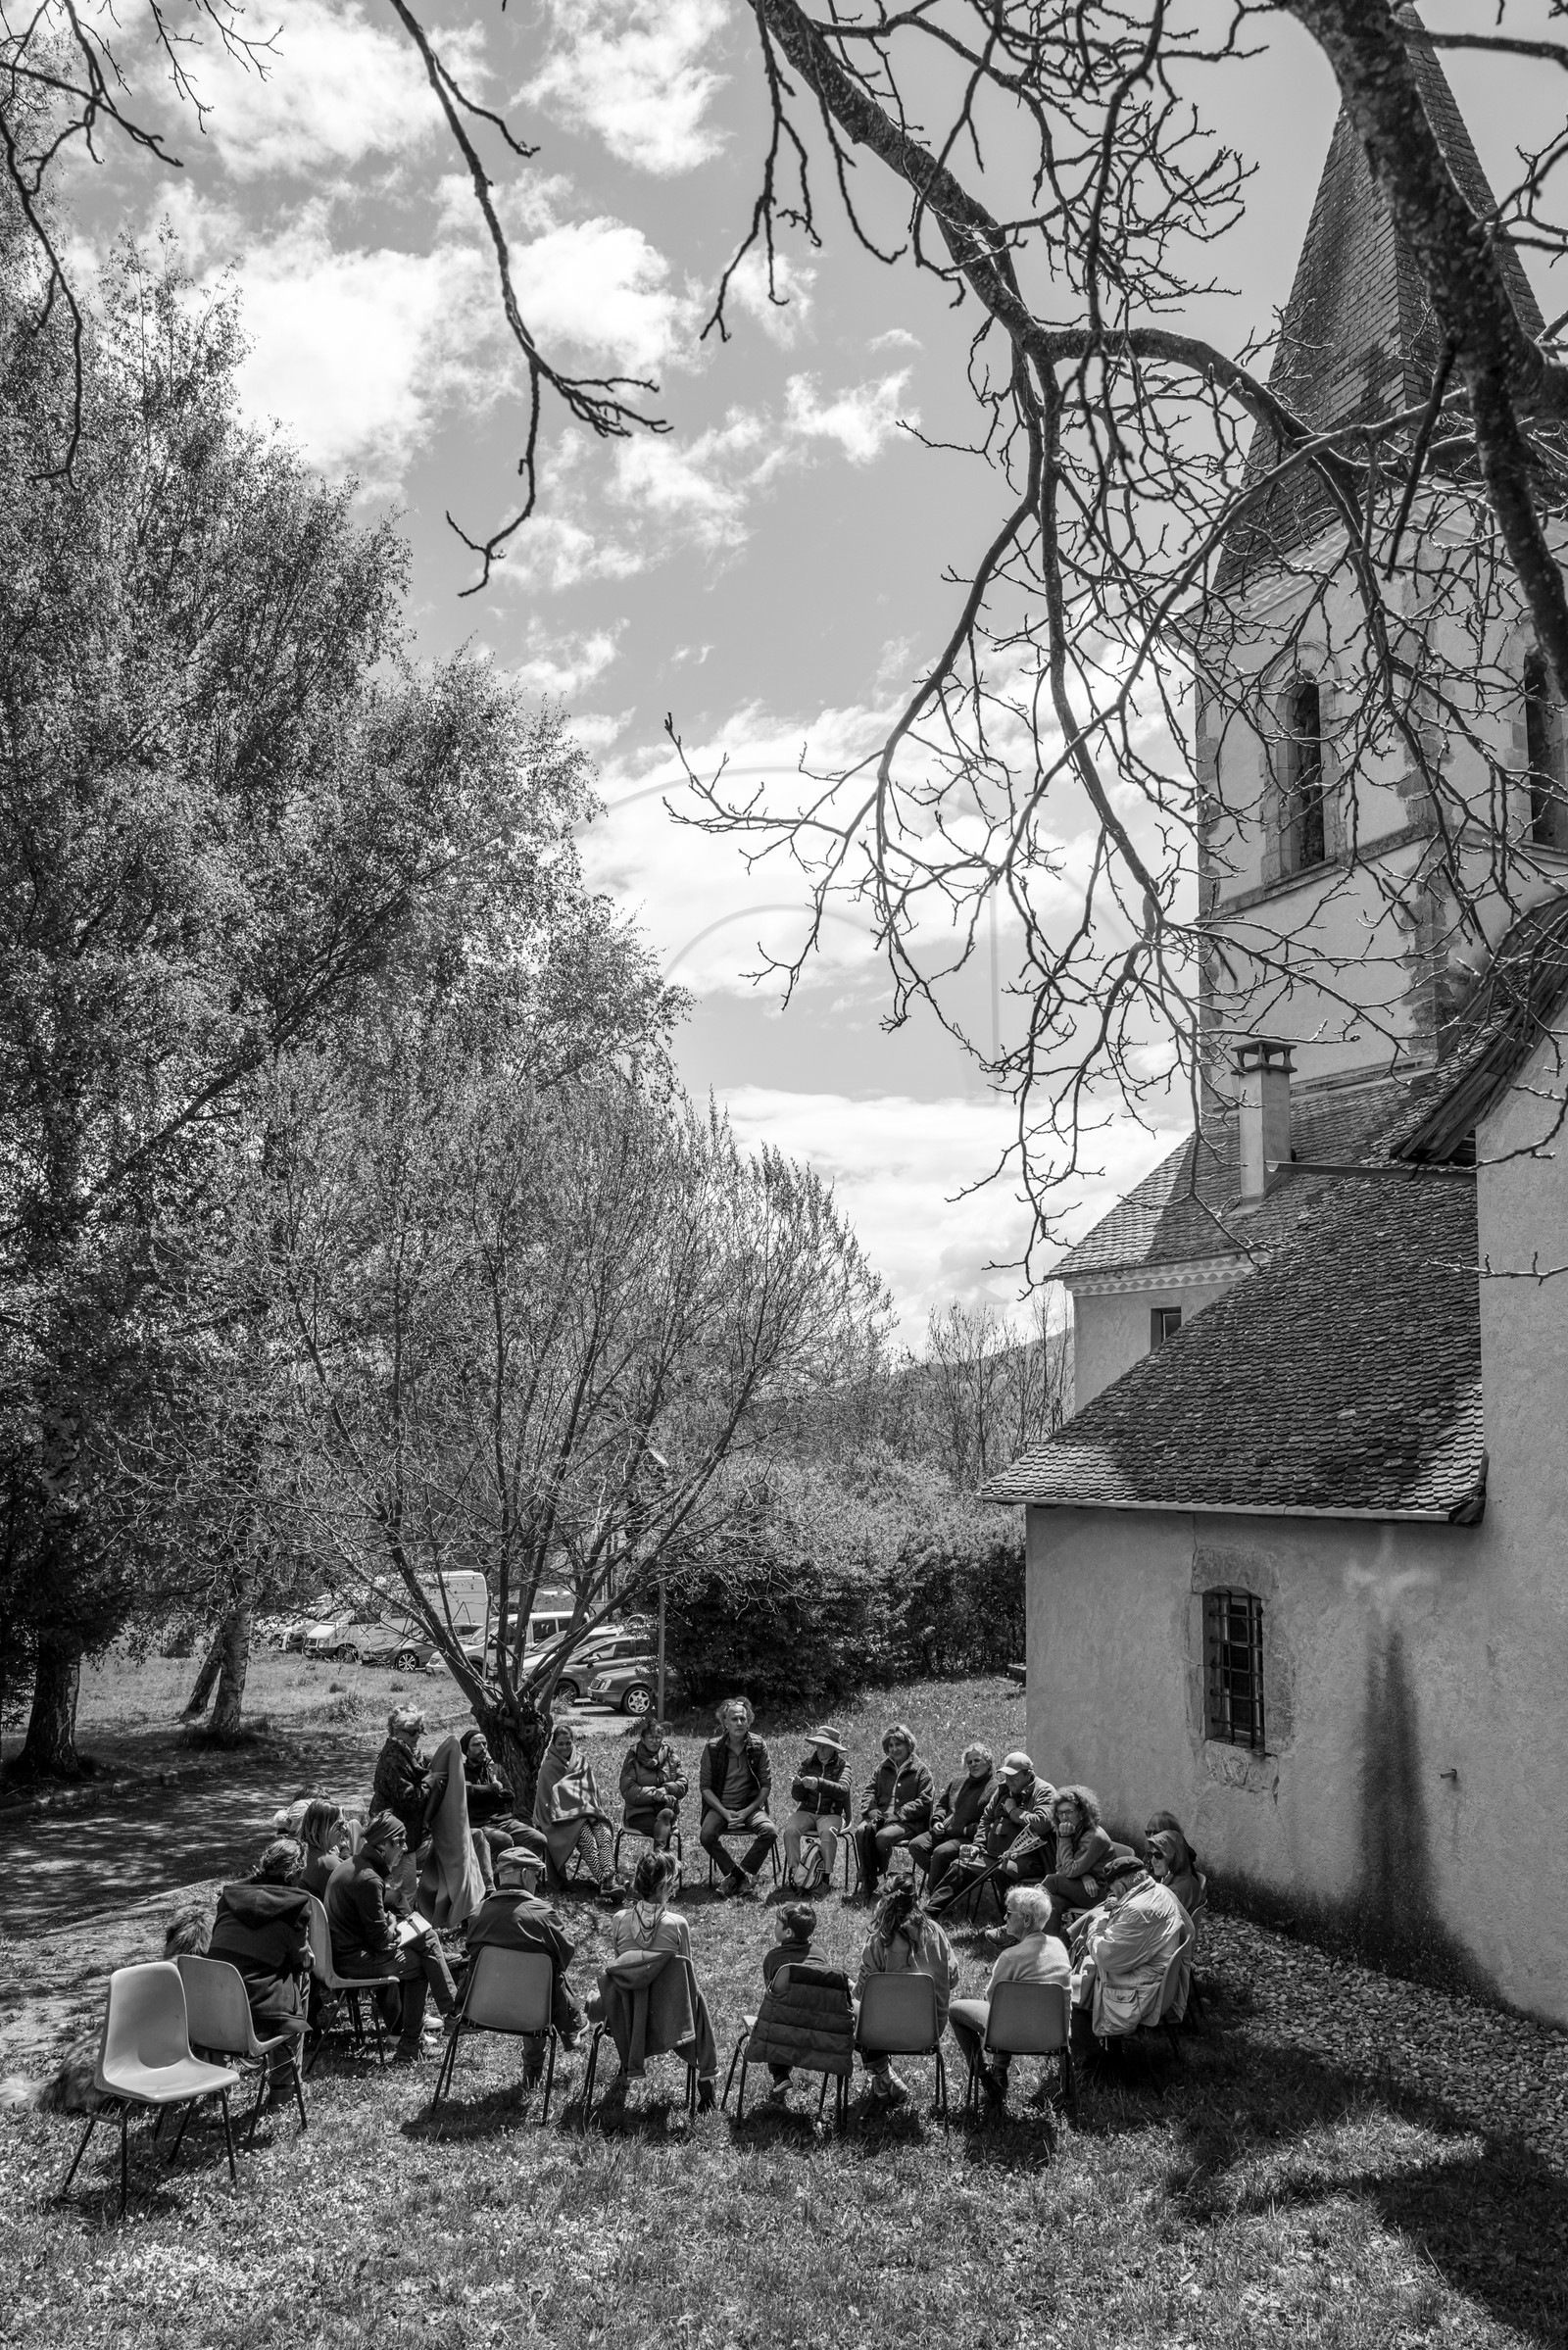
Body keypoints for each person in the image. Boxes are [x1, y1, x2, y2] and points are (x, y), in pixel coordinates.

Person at [323, 1810, 459, 2064]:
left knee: (425, 1943)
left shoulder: (352, 1865)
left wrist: (391, 1924)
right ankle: (443, 2019)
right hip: (354, 1961)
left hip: (344, 1953)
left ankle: (440, 2021)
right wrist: (394, 1923)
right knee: (424, 1949)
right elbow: (380, 1940)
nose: (406, 1847)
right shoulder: (368, 1878)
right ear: (384, 1845)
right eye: (401, 1841)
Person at [598, 1851, 719, 2111]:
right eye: (673, 1882)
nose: (674, 1887)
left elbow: (623, 1967)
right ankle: (706, 2075)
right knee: (697, 1999)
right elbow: (686, 1974)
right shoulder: (678, 1925)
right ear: (664, 1886)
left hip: (628, 2013)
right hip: (672, 2017)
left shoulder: (619, 1920)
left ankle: (628, 2064)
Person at [465, 1844, 584, 2082]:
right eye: (536, 1875)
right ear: (524, 1875)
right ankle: (539, 2065)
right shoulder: (542, 1914)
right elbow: (564, 1957)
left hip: (481, 2007)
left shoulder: (477, 1913)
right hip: (533, 2014)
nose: (537, 1882)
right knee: (544, 1979)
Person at [947, 1884, 1070, 2110]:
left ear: (1025, 1920)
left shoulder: (1011, 1956)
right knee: (1009, 2015)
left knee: (956, 2010)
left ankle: (985, 2076)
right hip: (1054, 2033)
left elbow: (993, 2000)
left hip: (1010, 2034)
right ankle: (999, 2072)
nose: (1004, 1916)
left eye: (1009, 1912)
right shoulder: (1058, 1947)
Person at [1071, 1852, 1190, 2049]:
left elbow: (1105, 1956)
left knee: (1071, 1987)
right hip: (1154, 1974)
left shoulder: (1138, 1910)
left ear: (1122, 1886)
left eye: (1114, 1891)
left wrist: (1097, 1925)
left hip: (1142, 1990)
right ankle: (1101, 2051)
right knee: (1085, 1968)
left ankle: (1097, 2061)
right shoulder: (1158, 1889)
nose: (1114, 1895)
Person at [854, 1875, 956, 2105]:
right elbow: (953, 1977)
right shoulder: (936, 1931)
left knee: (849, 2009)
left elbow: (862, 1995)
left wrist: (851, 1990)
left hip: (881, 2032)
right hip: (929, 2029)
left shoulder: (879, 1940)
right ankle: (883, 2080)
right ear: (915, 1899)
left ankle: (883, 2073)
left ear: (885, 1901)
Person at [746, 1902, 857, 2112]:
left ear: (787, 1932)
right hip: (818, 2030)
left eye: (777, 1924)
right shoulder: (820, 1955)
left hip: (781, 2032)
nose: (774, 1927)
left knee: (777, 2022)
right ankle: (781, 2076)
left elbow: (772, 1997)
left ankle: (780, 2075)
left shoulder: (773, 1958)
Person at [207, 1837, 314, 2049]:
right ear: (296, 1874)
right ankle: (284, 2080)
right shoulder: (296, 1905)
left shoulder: (229, 1895)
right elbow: (300, 1962)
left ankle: (223, 2072)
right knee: (302, 1979)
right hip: (258, 2012)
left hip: (213, 2003)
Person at [924, 1750, 1052, 1919]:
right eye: (1006, 1776)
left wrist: (1013, 1811)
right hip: (992, 1854)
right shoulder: (1003, 1790)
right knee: (960, 1865)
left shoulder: (1044, 1791)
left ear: (1028, 1774)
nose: (1009, 1780)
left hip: (1024, 1858)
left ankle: (1009, 1923)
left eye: (1014, 1776)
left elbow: (1042, 1824)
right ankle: (928, 1915)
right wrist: (978, 1844)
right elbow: (986, 1818)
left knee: (1004, 1871)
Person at [698, 1696, 777, 1896]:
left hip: (749, 1807)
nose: (739, 1723)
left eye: (743, 1719)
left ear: (748, 1720)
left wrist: (747, 1811)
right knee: (706, 1835)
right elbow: (705, 1787)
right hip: (720, 1807)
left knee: (770, 1831)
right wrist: (724, 1812)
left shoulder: (758, 1745)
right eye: (734, 1719)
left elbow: (766, 1785)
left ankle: (738, 1875)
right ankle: (737, 1876)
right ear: (725, 1722)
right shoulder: (713, 1747)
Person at [532, 1724, 619, 1898]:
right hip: (561, 1821)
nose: (565, 1747)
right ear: (553, 1745)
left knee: (603, 1833)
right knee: (587, 1839)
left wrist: (586, 1810)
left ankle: (610, 1877)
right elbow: (545, 1802)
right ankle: (606, 1881)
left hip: (588, 1812)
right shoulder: (548, 1767)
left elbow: (590, 1791)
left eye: (568, 1743)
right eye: (561, 1744)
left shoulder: (581, 1762)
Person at [852, 1722, 935, 1898]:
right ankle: (871, 1877)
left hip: (907, 1821)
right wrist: (871, 1809)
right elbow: (869, 1790)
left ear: (908, 1745)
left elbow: (924, 1801)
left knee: (883, 1837)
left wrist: (898, 1814)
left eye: (898, 1744)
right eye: (891, 1745)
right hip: (880, 1815)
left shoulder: (921, 1770)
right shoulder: (883, 1767)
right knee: (861, 1831)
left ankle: (869, 1875)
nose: (894, 1749)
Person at [907, 1743, 994, 1893]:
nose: (973, 1765)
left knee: (941, 1853)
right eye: (970, 1762)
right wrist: (936, 1822)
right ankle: (945, 1885)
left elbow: (988, 1821)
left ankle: (933, 1893)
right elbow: (942, 1805)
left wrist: (967, 1829)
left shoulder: (994, 1788)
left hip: (967, 1838)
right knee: (916, 1845)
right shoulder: (957, 1782)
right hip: (944, 1832)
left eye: (977, 1760)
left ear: (988, 1762)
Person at [781, 1723, 852, 1891]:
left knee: (827, 1832)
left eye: (824, 1746)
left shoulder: (843, 1766)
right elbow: (798, 1797)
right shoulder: (807, 1764)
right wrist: (798, 1785)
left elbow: (843, 1791)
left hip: (831, 1814)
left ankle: (825, 1878)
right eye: (818, 1745)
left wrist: (818, 1783)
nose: (820, 1749)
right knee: (790, 1830)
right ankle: (797, 1874)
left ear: (834, 1749)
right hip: (807, 1811)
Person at [1041, 1785, 1113, 1939]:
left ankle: (1017, 1923)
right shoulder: (1070, 1831)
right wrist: (1083, 1876)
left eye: (1069, 1811)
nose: (1064, 1817)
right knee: (1054, 1902)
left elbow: (1067, 1872)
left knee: (1052, 1881)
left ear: (1082, 1813)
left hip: (1101, 1893)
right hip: (1082, 1887)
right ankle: (1047, 1947)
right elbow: (1061, 1868)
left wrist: (1064, 1838)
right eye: (1060, 1813)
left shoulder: (1094, 1836)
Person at [618, 1715, 689, 1851]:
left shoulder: (670, 1755)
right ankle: (661, 1861)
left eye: (658, 1737)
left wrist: (668, 1789)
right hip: (639, 1813)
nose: (655, 1741)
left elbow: (683, 1783)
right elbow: (627, 1789)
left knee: (666, 1815)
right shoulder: (633, 1757)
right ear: (643, 1739)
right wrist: (655, 1795)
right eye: (651, 1738)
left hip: (666, 1809)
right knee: (664, 1826)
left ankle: (657, 1861)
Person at [371, 1707, 431, 1843]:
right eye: (412, 1732)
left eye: (419, 1730)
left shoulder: (406, 1752)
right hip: (392, 1838)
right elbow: (409, 1800)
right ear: (397, 1732)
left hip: (403, 1833)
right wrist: (429, 1784)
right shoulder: (394, 1758)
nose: (417, 1736)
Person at [1144, 1813, 1203, 1915]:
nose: (1152, 1837)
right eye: (1148, 1832)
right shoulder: (1170, 1872)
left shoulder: (1176, 1889)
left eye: (1158, 1855)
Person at [299, 1800, 352, 1900]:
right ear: (322, 1828)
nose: (344, 1829)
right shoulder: (327, 1863)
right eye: (339, 1825)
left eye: (345, 1823)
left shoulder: (302, 1852)